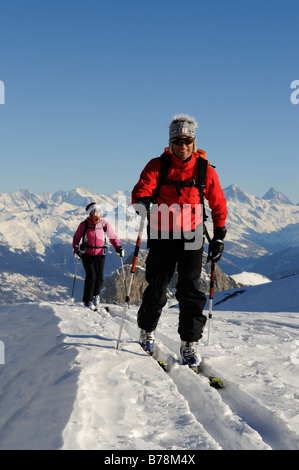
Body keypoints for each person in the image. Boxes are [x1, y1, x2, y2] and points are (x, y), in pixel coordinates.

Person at [132, 114, 227, 369]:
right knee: (157, 286)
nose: (182, 145)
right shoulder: (157, 165)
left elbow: (218, 204)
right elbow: (142, 187)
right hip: (162, 233)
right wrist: (142, 201)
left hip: (192, 234)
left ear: (193, 142)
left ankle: (189, 343)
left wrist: (219, 236)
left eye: (187, 140)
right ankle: (147, 331)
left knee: (190, 290)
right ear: (171, 141)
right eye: (177, 140)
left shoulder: (204, 169)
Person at [72, 202, 124, 309]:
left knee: (99, 278)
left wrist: (118, 248)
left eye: (99, 211)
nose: (97, 214)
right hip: (87, 254)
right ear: (91, 213)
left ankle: (96, 295)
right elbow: (76, 238)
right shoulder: (84, 225)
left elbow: (112, 237)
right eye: (95, 211)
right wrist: (76, 250)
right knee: (91, 276)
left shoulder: (104, 224)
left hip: (100, 254)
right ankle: (87, 300)